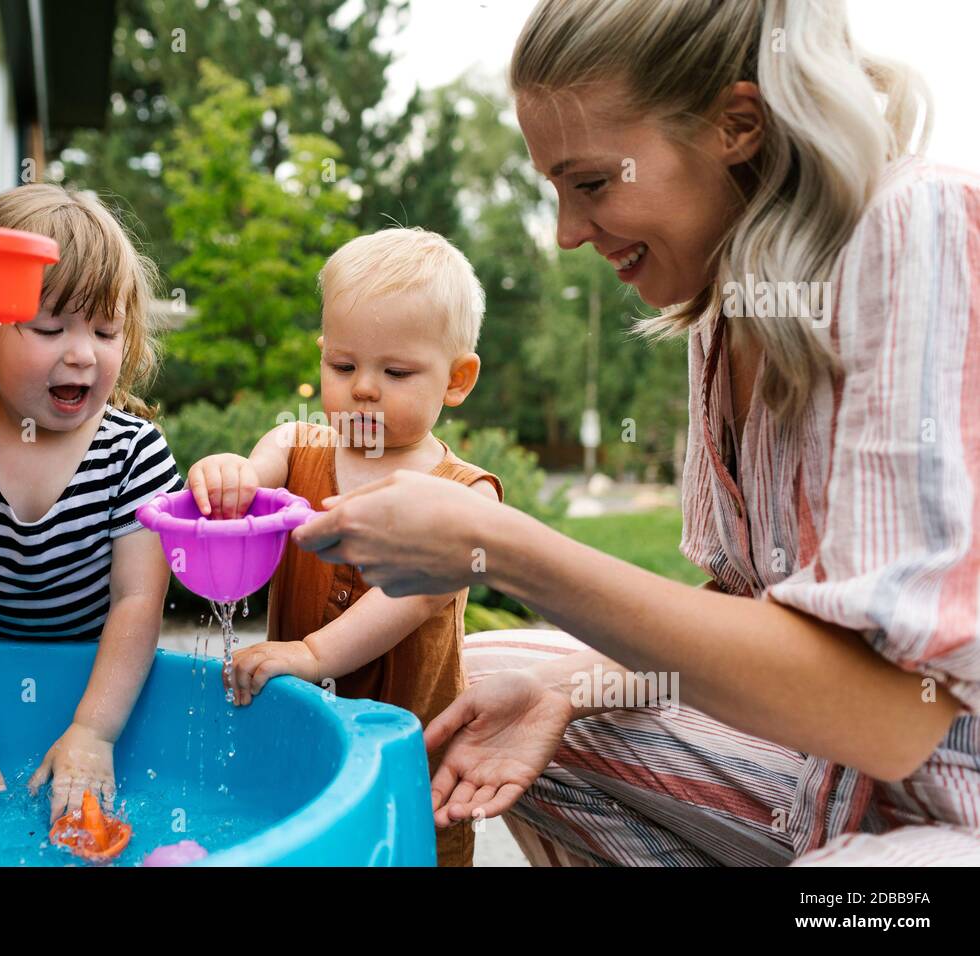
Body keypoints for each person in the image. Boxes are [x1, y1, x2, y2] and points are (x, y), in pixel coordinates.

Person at [294, 0, 980, 865]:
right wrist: (569, 689)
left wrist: (498, 545)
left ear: (738, 124)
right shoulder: (725, 312)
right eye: (555, 191)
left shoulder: (915, 225)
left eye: (591, 183)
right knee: (492, 684)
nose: (568, 232)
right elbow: (739, 609)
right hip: (815, 781)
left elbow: (887, 715)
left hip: (943, 811)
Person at [187, 228, 503, 865]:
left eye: (396, 371)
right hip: (302, 743)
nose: (363, 387)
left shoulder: (466, 496)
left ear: (457, 379)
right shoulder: (295, 448)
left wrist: (312, 652)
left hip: (409, 764)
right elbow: (251, 482)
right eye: (343, 365)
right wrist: (227, 474)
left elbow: (408, 594)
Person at [0, 183, 183, 824]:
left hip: (99, 692)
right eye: (48, 327)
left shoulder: (133, 455)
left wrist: (94, 732)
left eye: (105, 329)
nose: (81, 353)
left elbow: (138, 601)